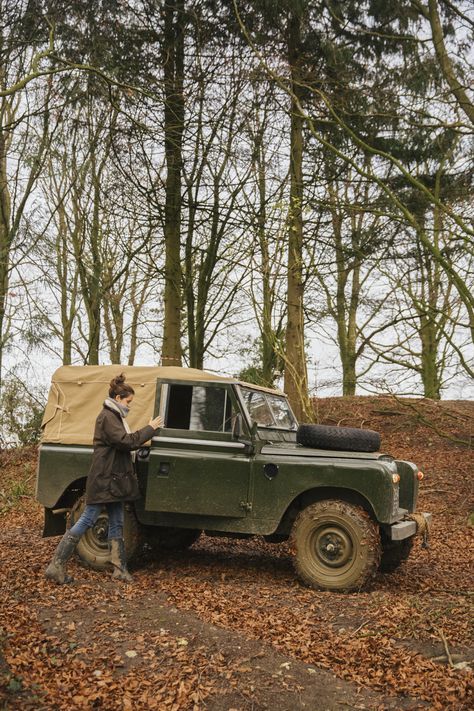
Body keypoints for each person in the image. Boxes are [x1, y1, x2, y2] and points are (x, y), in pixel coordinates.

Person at [45, 373, 162, 585]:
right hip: (105, 480)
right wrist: (150, 429)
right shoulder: (108, 417)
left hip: (113, 481)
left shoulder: (114, 417)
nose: (130, 406)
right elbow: (126, 442)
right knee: (88, 519)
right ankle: (56, 565)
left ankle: (119, 568)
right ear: (118, 399)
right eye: (128, 402)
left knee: (117, 521)